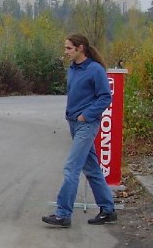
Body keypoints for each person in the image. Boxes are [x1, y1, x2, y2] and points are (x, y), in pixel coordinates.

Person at [42, 33, 117, 228]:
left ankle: (63, 214)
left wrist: (86, 115)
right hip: (74, 124)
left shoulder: (95, 70)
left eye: (69, 48)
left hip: (87, 124)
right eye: (65, 48)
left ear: (80, 48)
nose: (65, 52)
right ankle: (108, 210)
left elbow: (105, 97)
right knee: (91, 168)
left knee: (71, 168)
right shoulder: (73, 69)